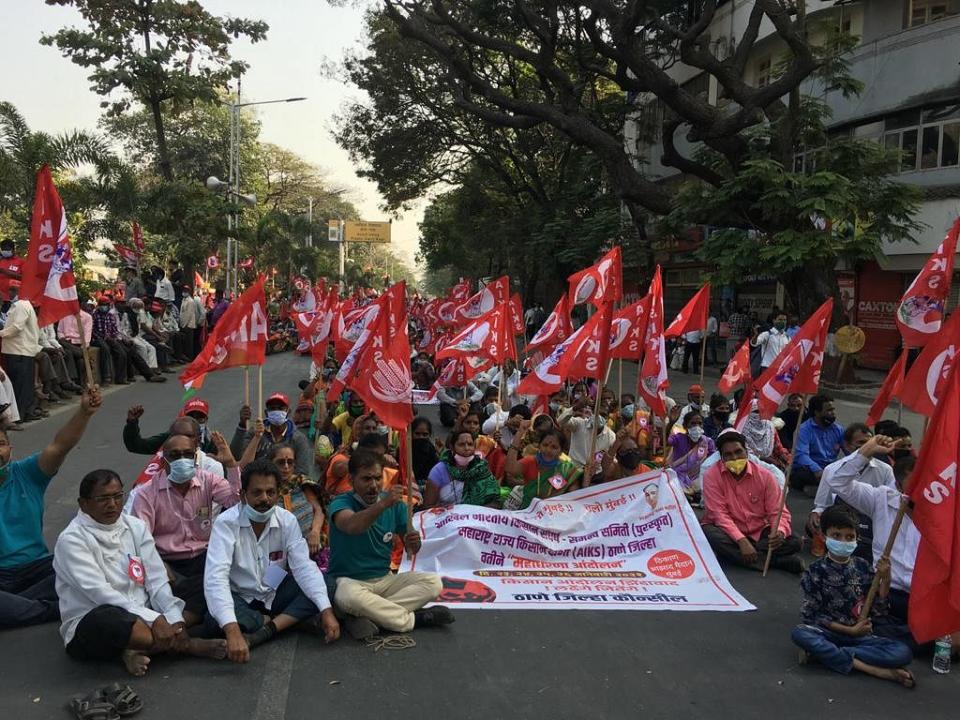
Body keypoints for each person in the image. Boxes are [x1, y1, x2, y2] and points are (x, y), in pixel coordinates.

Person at [53, 469, 227, 677]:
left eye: (118, 496)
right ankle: (186, 644)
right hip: (99, 618)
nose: (112, 504)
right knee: (108, 618)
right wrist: (156, 619)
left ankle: (138, 647)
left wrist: (172, 617)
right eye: (103, 499)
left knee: (205, 584)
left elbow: (156, 578)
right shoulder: (72, 540)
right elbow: (99, 594)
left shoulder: (134, 526)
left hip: (145, 612)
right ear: (84, 504)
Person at [203, 458, 340, 662]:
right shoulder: (226, 523)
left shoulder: (287, 521)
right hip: (240, 596)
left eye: (270, 492)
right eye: (256, 493)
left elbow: (303, 567)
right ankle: (286, 620)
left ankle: (265, 630)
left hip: (274, 590)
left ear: (278, 494)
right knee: (215, 619)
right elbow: (216, 579)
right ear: (243, 496)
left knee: (326, 584)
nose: (264, 499)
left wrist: (326, 611)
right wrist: (232, 632)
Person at [0, 386, 102, 628]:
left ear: (10, 449)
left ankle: (17, 607)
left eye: (1, 444)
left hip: (38, 569)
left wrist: (84, 413)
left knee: (85, 564)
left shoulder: (27, 473)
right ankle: (53, 608)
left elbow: (60, 446)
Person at [326, 448, 451, 640]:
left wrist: (413, 542)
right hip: (349, 581)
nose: (374, 486)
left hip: (385, 579)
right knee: (347, 597)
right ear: (351, 481)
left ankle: (369, 615)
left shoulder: (397, 505)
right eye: (366, 479)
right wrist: (383, 504)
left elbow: (411, 549)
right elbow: (353, 526)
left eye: (378, 478)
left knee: (433, 583)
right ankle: (414, 620)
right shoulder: (341, 503)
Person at [790, 505, 915, 688]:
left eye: (850, 537)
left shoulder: (863, 567)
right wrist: (849, 631)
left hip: (860, 637)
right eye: (837, 536)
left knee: (902, 652)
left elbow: (879, 608)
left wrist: (886, 577)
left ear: (857, 539)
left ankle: (831, 655)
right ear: (824, 536)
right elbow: (811, 615)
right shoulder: (815, 571)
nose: (843, 541)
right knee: (800, 634)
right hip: (828, 632)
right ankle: (872, 669)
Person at [131, 433, 241, 625]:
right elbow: (140, 538)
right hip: (168, 563)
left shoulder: (207, 480)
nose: (182, 460)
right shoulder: (146, 493)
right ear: (164, 461)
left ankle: (180, 624)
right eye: (175, 455)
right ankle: (186, 624)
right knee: (213, 589)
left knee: (230, 577)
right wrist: (159, 565)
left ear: (195, 457)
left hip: (203, 556)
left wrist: (231, 464)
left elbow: (236, 502)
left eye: (187, 454)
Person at [700, 430, 803, 574]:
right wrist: (741, 540)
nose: (735, 458)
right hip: (728, 532)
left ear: (747, 452)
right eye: (728, 455)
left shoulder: (766, 476)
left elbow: (777, 511)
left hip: (759, 531)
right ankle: (775, 561)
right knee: (708, 533)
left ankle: (739, 556)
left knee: (795, 541)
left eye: (738, 452)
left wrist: (778, 531)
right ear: (721, 458)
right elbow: (719, 515)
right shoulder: (711, 476)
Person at [266, 443, 327, 570]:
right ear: (271, 464)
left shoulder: (302, 483)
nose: (286, 467)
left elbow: (319, 510)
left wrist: (315, 532)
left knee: (319, 583)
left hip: (311, 547)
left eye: (290, 462)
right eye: (281, 462)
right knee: (272, 585)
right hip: (279, 553)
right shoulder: (266, 489)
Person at [230, 394, 313, 476]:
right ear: (266, 413)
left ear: (288, 412)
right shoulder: (254, 433)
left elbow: (302, 471)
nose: (276, 411)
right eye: (272, 409)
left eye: (280, 408)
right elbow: (236, 456)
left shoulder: (298, 439)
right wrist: (242, 425)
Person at [504, 426, 583, 509]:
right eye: (545, 445)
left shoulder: (567, 470)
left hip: (554, 515)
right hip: (528, 513)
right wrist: (519, 433)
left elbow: (574, 496)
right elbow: (510, 468)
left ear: (561, 451)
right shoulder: (531, 462)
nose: (548, 450)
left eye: (554, 447)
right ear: (539, 446)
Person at [425, 430, 501, 508]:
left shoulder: (482, 469)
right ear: (452, 447)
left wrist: (475, 513)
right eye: (461, 444)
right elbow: (428, 506)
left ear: (474, 447)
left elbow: (495, 503)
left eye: (470, 444)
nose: (466, 448)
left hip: (478, 518)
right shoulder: (439, 470)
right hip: (447, 517)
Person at [0, 282, 42, 421]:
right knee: (25, 384)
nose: (10, 293)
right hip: (21, 350)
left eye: (13, 290)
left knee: (20, 385)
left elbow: (17, 327)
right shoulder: (23, 305)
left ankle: (21, 415)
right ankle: (27, 412)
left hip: (18, 350)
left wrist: (1, 333)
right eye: (10, 289)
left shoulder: (20, 306)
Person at [123, 402, 218, 457]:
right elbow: (136, 446)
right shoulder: (169, 439)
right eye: (191, 416)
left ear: (206, 420)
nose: (195, 421)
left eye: (200, 417)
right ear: (183, 417)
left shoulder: (213, 444)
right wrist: (132, 423)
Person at [791, 394, 844, 492]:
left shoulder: (838, 429)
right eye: (829, 410)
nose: (833, 413)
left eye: (833, 409)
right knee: (800, 475)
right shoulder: (804, 430)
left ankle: (823, 488)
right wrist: (817, 469)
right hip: (811, 469)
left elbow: (848, 449)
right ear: (817, 412)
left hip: (829, 469)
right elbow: (801, 455)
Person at [667, 411, 716, 502]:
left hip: (697, 476)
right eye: (693, 423)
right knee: (674, 488)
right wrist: (671, 423)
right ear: (685, 426)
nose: (696, 426)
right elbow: (667, 441)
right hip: (678, 476)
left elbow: (712, 461)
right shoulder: (678, 438)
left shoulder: (707, 442)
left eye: (699, 423)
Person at [558, 399, 615, 468]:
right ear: (591, 414)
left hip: (595, 473)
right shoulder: (580, 423)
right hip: (574, 470)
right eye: (596, 414)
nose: (599, 417)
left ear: (607, 418)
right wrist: (575, 408)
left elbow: (610, 458)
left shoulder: (611, 436)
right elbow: (561, 421)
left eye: (603, 415)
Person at [740, 400, 791, 470]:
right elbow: (745, 452)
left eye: (762, 411)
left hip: (773, 464)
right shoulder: (742, 429)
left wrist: (788, 458)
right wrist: (763, 459)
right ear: (749, 412)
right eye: (756, 412)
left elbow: (778, 447)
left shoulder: (769, 427)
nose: (760, 414)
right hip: (751, 465)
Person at [57, 305, 93, 387]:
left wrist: (85, 346)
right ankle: (73, 382)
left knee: (81, 362)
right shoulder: (64, 315)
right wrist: (62, 338)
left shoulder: (87, 317)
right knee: (66, 348)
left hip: (79, 344)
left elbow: (87, 335)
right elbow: (60, 331)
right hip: (66, 343)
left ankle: (80, 384)